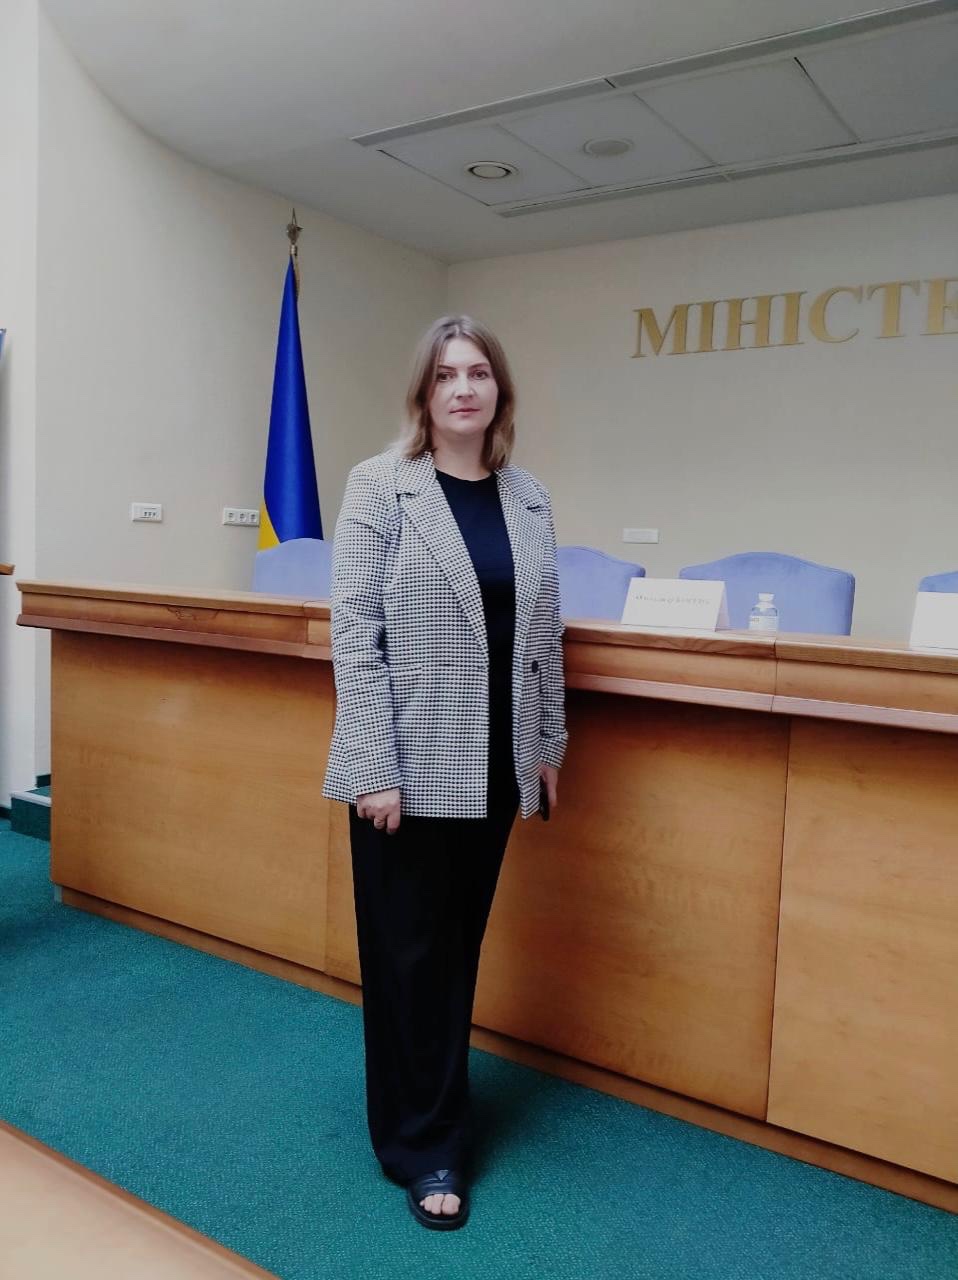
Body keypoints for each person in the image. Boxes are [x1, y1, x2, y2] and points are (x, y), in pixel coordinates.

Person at [322, 314, 568, 1230]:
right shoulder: (381, 486)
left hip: (496, 768)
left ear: (500, 391)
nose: (464, 388)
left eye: (479, 373)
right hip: (406, 768)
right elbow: (355, 635)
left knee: (452, 956)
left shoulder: (530, 498)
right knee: (407, 959)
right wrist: (372, 764)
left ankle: (429, 1114)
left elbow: (544, 639)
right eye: (446, 375)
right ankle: (424, 1146)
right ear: (423, 394)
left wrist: (547, 747)